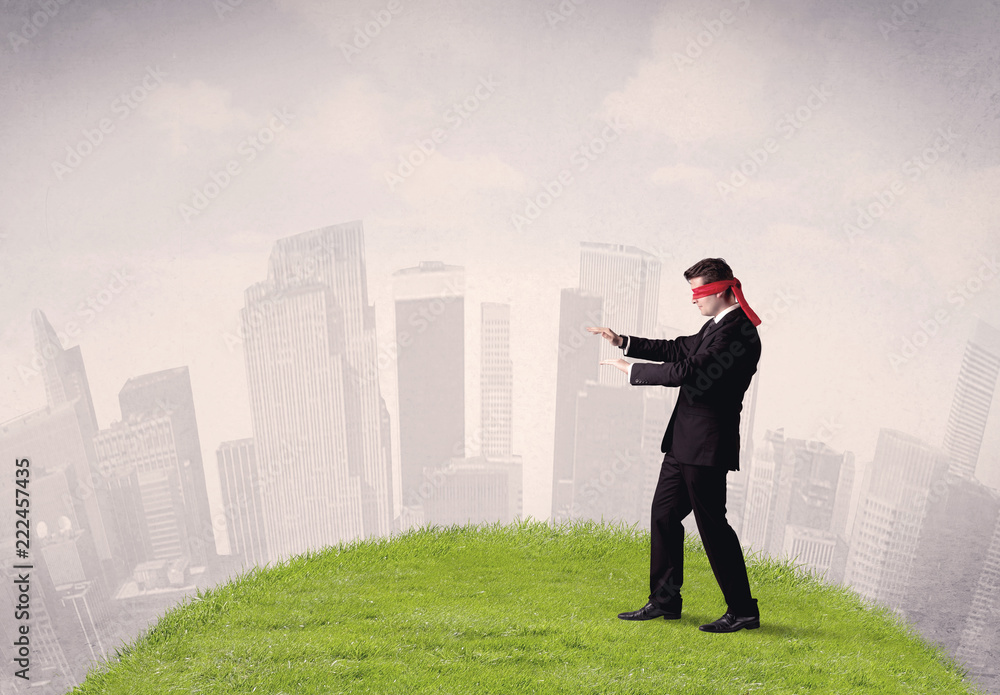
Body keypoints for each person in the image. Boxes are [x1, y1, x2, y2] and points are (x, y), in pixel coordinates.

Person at [586, 257, 762, 633]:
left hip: (706, 447)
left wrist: (632, 370)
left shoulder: (739, 333)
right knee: (664, 515)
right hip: (684, 443)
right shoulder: (716, 325)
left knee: (712, 526)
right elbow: (679, 349)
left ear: (720, 290)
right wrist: (625, 342)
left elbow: (691, 371)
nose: (693, 300)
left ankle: (744, 610)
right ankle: (665, 601)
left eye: (698, 292)